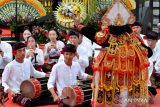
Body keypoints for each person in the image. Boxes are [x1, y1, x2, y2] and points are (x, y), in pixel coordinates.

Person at [74, 1, 152, 107]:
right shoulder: (133, 38)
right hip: (124, 82)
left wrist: (80, 26)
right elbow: (148, 52)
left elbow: (95, 35)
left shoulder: (108, 36)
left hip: (115, 80)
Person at [2, 42, 53, 107]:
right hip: (17, 93)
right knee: (28, 103)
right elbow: (3, 82)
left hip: (30, 90)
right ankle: (18, 99)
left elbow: (34, 73)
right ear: (14, 53)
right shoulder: (9, 66)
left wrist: (45, 75)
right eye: (20, 51)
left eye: (24, 50)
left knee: (49, 96)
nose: (23, 53)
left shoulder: (27, 62)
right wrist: (10, 91)